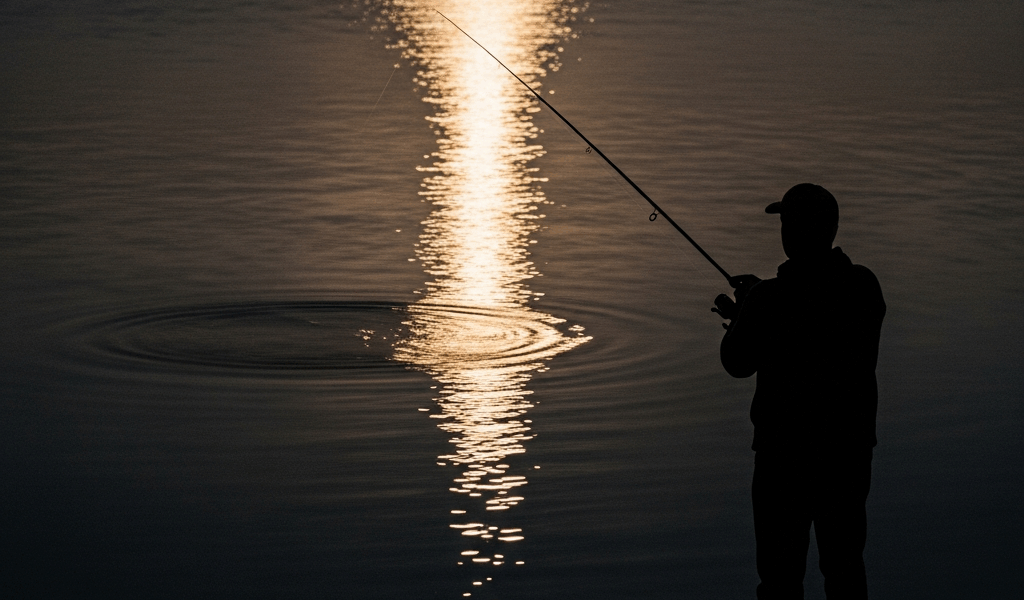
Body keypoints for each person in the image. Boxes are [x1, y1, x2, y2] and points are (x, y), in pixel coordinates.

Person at [713, 183, 885, 599]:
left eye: (787, 223)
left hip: (783, 458)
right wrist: (757, 302)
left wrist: (744, 315)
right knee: (844, 571)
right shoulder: (863, 288)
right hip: (847, 455)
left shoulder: (770, 301)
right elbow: (815, 307)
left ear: (793, 232)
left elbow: (736, 362)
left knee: (779, 578)